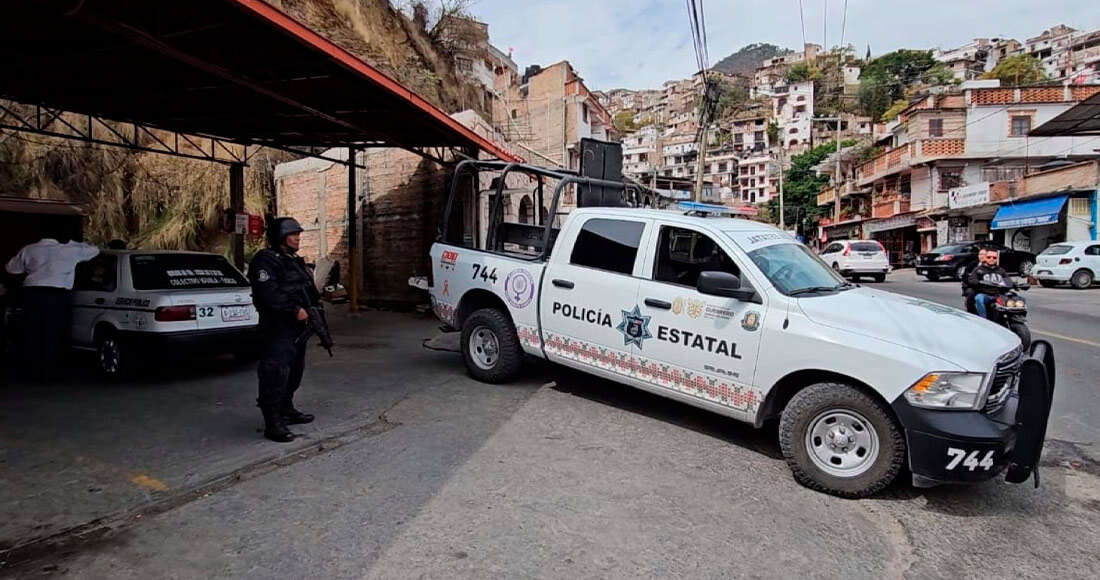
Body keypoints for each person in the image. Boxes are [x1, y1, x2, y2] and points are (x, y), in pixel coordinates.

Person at [248, 217, 320, 442]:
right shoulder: (265, 261)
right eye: (293, 234)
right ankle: (273, 422)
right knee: (275, 374)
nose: (298, 237)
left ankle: (287, 409)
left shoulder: (294, 261)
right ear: (280, 236)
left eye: (298, 233)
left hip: (296, 330)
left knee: (295, 372)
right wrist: (294, 310)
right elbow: (269, 294)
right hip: (277, 329)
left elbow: (305, 289)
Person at [5, 235, 99, 381]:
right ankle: (51, 370)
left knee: (33, 331)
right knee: (54, 331)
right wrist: (73, 243)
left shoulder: (29, 249)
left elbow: (11, 268)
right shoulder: (69, 250)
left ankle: (33, 369)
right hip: (57, 294)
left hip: (32, 293)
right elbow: (94, 250)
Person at [966, 248, 1010, 320]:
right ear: (985, 258)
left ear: (997, 259)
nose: (991, 259)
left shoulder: (1001, 270)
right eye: (989, 257)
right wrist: (977, 282)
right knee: (978, 298)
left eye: (994, 257)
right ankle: (983, 320)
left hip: (998, 295)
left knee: (1016, 300)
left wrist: (1015, 285)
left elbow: (1008, 281)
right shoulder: (979, 269)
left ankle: (1011, 319)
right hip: (985, 294)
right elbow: (971, 279)